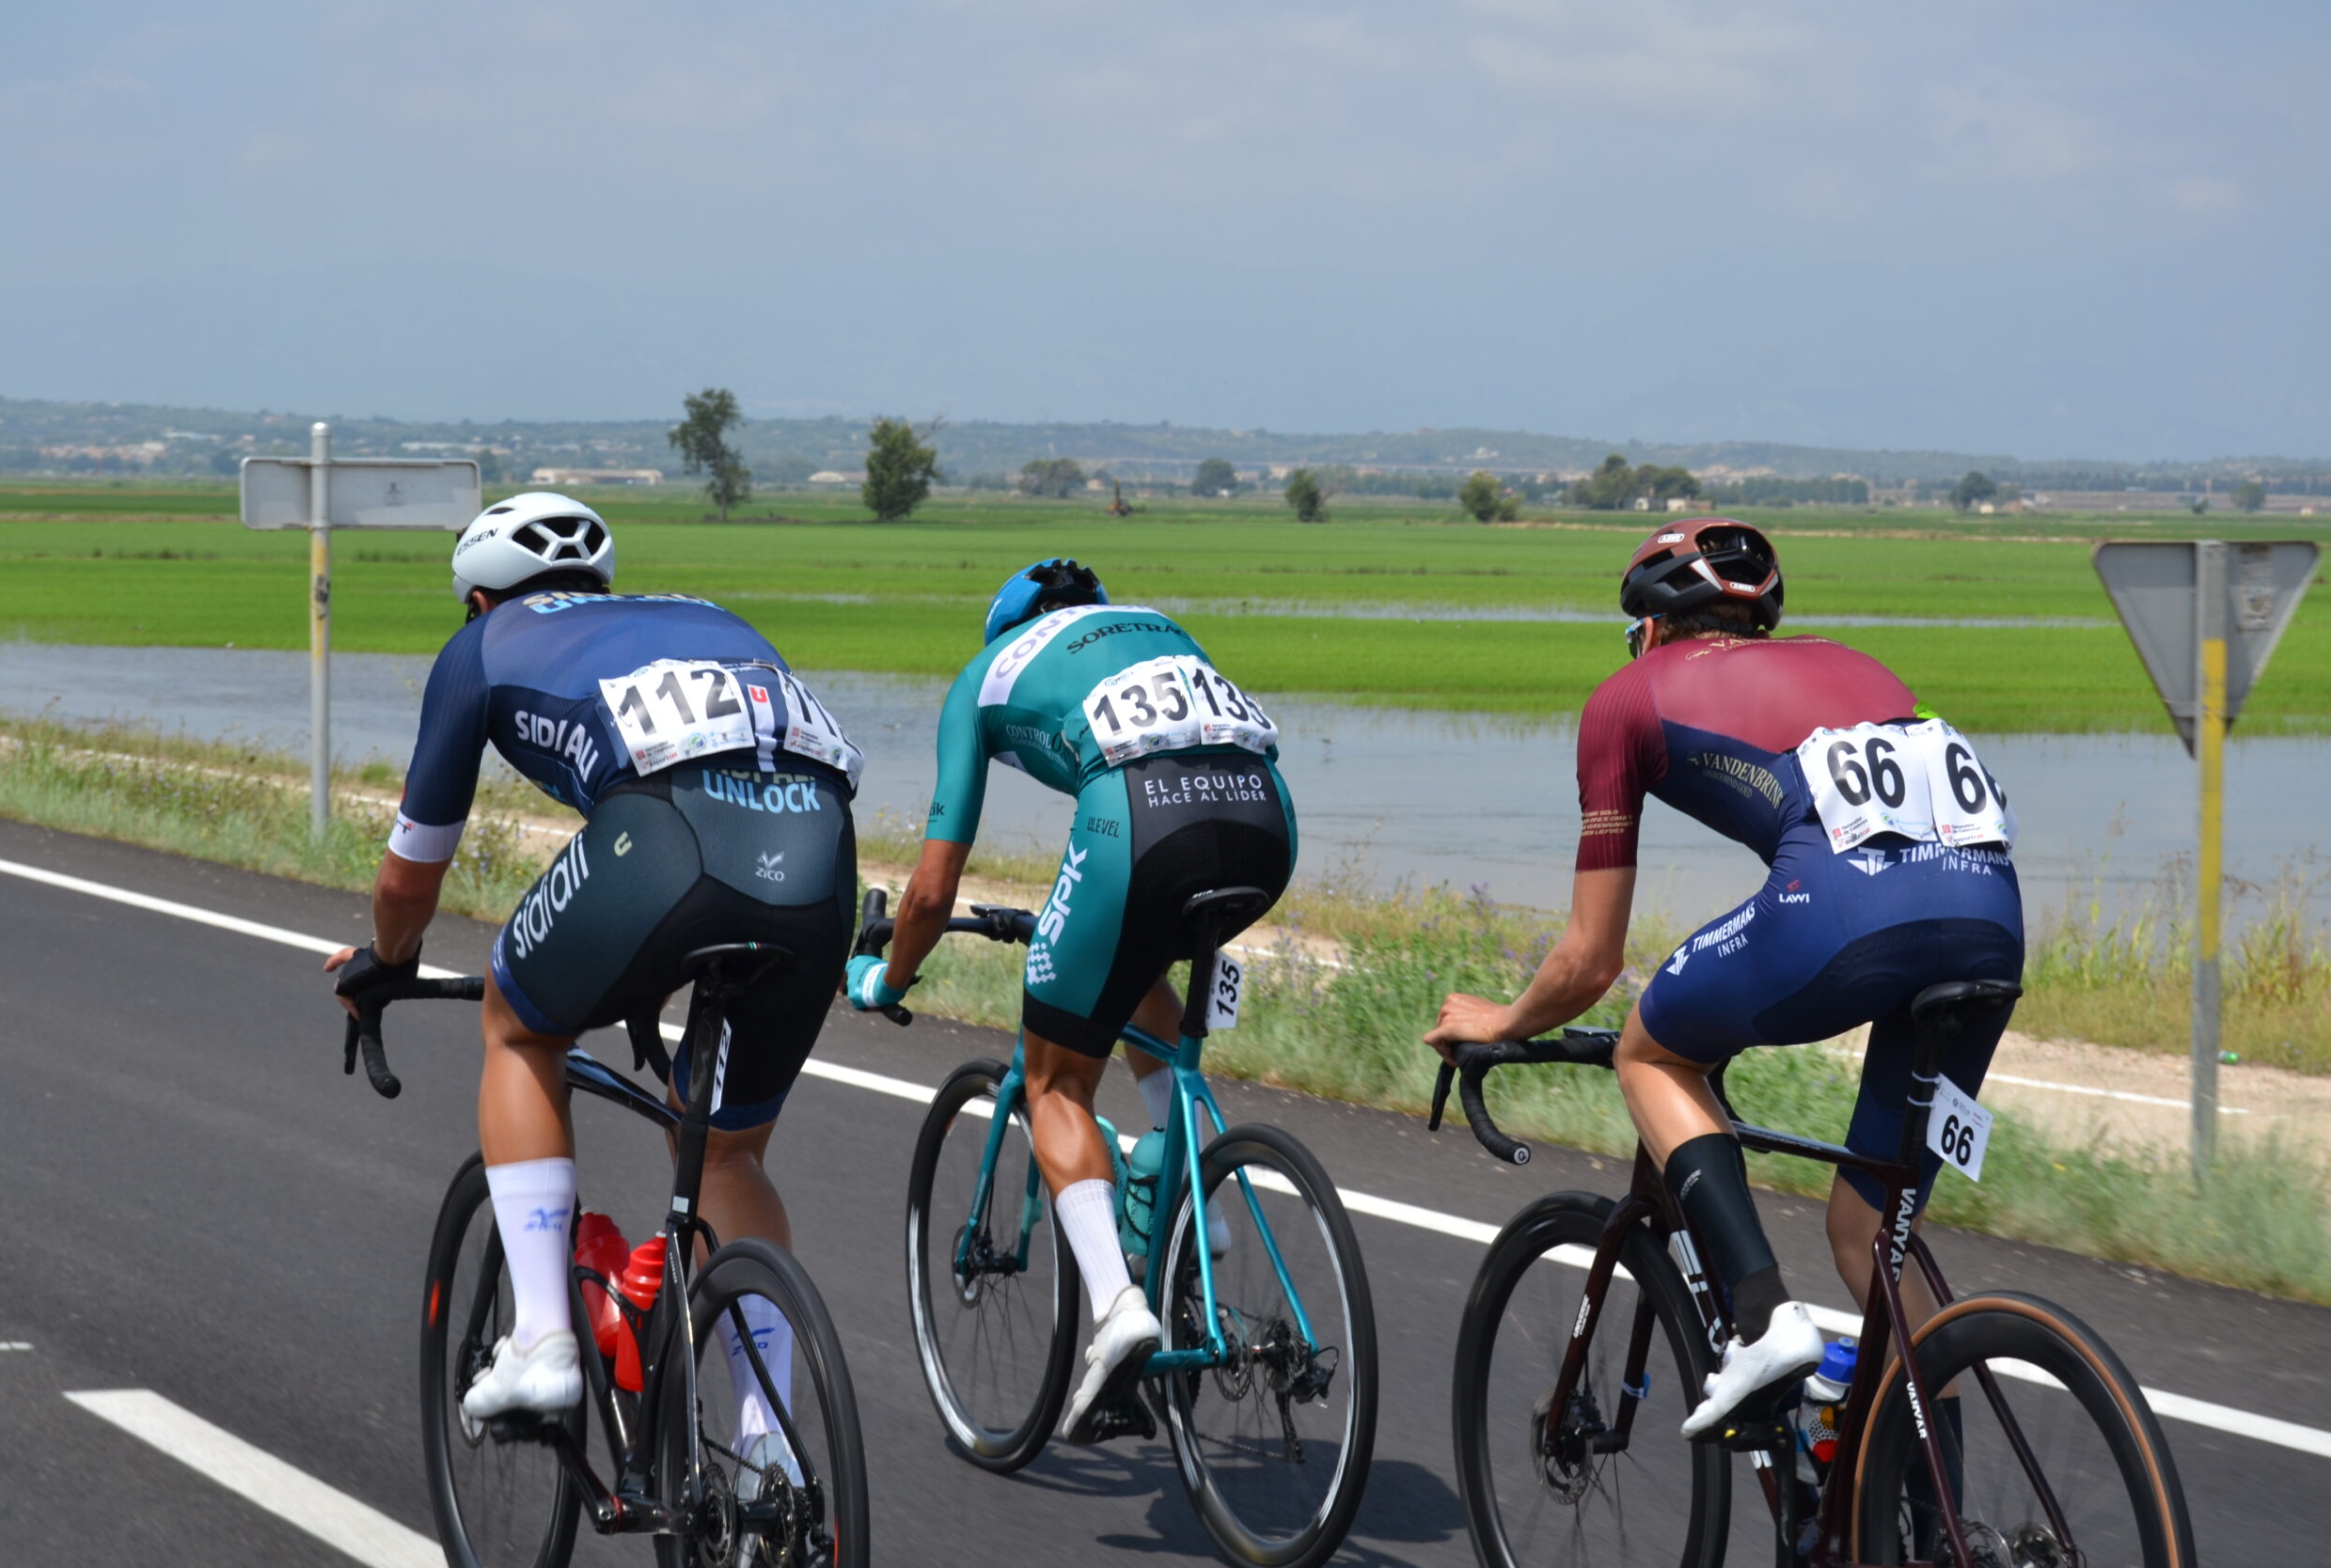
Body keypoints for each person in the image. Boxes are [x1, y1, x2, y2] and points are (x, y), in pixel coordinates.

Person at [1424, 518, 2023, 1436]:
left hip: (1845, 914)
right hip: (1990, 923)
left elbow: (1589, 960)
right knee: (1869, 1247)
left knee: (1651, 1055)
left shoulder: (1628, 697)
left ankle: (1762, 1320)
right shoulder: (1858, 668)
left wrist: (1503, 1020)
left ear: (1653, 628)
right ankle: (1932, 1516)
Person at [323, 493, 861, 1483]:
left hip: (666, 841)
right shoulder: (702, 616)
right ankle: (764, 1445)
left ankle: (539, 1340)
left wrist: (387, 960)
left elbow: (409, 876)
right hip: (821, 859)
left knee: (519, 1027)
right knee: (726, 1151)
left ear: (477, 597)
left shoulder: (483, 645)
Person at [849, 560, 1297, 1443]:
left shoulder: (987, 674)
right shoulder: (1153, 626)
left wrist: (886, 978)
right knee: (1133, 980)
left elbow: (933, 892)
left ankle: (1117, 1305)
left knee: (1055, 1081)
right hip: (1266, 820)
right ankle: (1195, 1205)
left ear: (1007, 626)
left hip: (1140, 823)